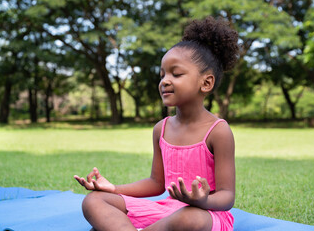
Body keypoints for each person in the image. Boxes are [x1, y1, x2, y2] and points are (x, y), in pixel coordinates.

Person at [74, 16, 239, 231]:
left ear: (206, 83)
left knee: (189, 219)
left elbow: (227, 196)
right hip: (166, 211)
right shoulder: (161, 129)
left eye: (176, 74)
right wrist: (112, 188)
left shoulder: (218, 131)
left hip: (205, 214)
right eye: (162, 75)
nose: (165, 81)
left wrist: (202, 200)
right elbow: (156, 183)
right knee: (94, 201)